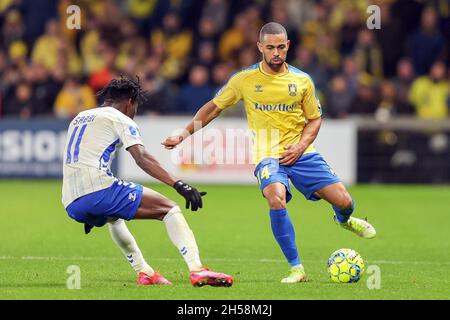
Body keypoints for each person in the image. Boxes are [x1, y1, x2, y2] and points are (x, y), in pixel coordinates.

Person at [162, 22, 376, 284]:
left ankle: (344, 220)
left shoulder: (302, 80)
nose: (276, 52)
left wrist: (299, 146)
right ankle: (296, 268)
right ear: (260, 47)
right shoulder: (244, 80)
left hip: (302, 152)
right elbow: (213, 108)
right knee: (276, 198)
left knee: (344, 201)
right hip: (267, 155)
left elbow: (315, 119)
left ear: (288, 46)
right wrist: (183, 134)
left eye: (281, 47)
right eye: (271, 47)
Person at [61, 76, 233, 287]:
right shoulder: (120, 118)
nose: (134, 113)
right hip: (97, 191)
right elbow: (142, 158)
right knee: (169, 209)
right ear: (129, 102)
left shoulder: (80, 117)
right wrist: (179, 184)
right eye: (135, 107)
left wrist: (90, 208)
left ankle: (145, 272)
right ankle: (197, 269)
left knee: (114, 218)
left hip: (71, 201)